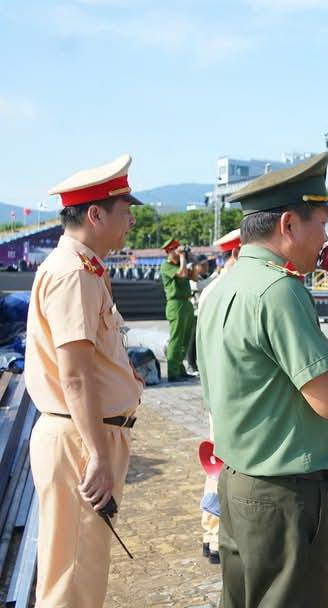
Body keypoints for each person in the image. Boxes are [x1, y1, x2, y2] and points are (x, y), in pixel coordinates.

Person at [197, 152, 328, 606]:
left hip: (239, 483)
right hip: (284, 497)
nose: (325, 237)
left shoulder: (225, 284)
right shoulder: (279, 290)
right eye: (321, 222)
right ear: (289, 224)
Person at [26, 154, 144, 606]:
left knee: (80, 568)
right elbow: (73, 377)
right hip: (81, 439)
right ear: (95, 214)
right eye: (125, 213)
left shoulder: (82, 268)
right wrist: (96, 453)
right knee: (73, 578)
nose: (130, 222)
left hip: (83, 433)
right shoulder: (75, 273)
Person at [196, 228, 240, 565]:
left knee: (220, 464)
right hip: (228, 394)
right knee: (221, 467)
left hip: (220, 391)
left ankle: (213, 534)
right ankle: (214, 535)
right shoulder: (224, 291)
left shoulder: (215, 289)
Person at [160, 237, 197, 381]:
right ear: (169, 251)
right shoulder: (166, 266)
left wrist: (191, 260)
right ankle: (172, 372)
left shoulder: (181, 264)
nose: (179, 252)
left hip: (186, 303)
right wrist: (182, 257)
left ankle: (180, 369)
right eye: (176, 250)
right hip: (175, 304)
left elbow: (194, 277)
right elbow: (182, 274)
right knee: (176, 339)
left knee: (185, 339)